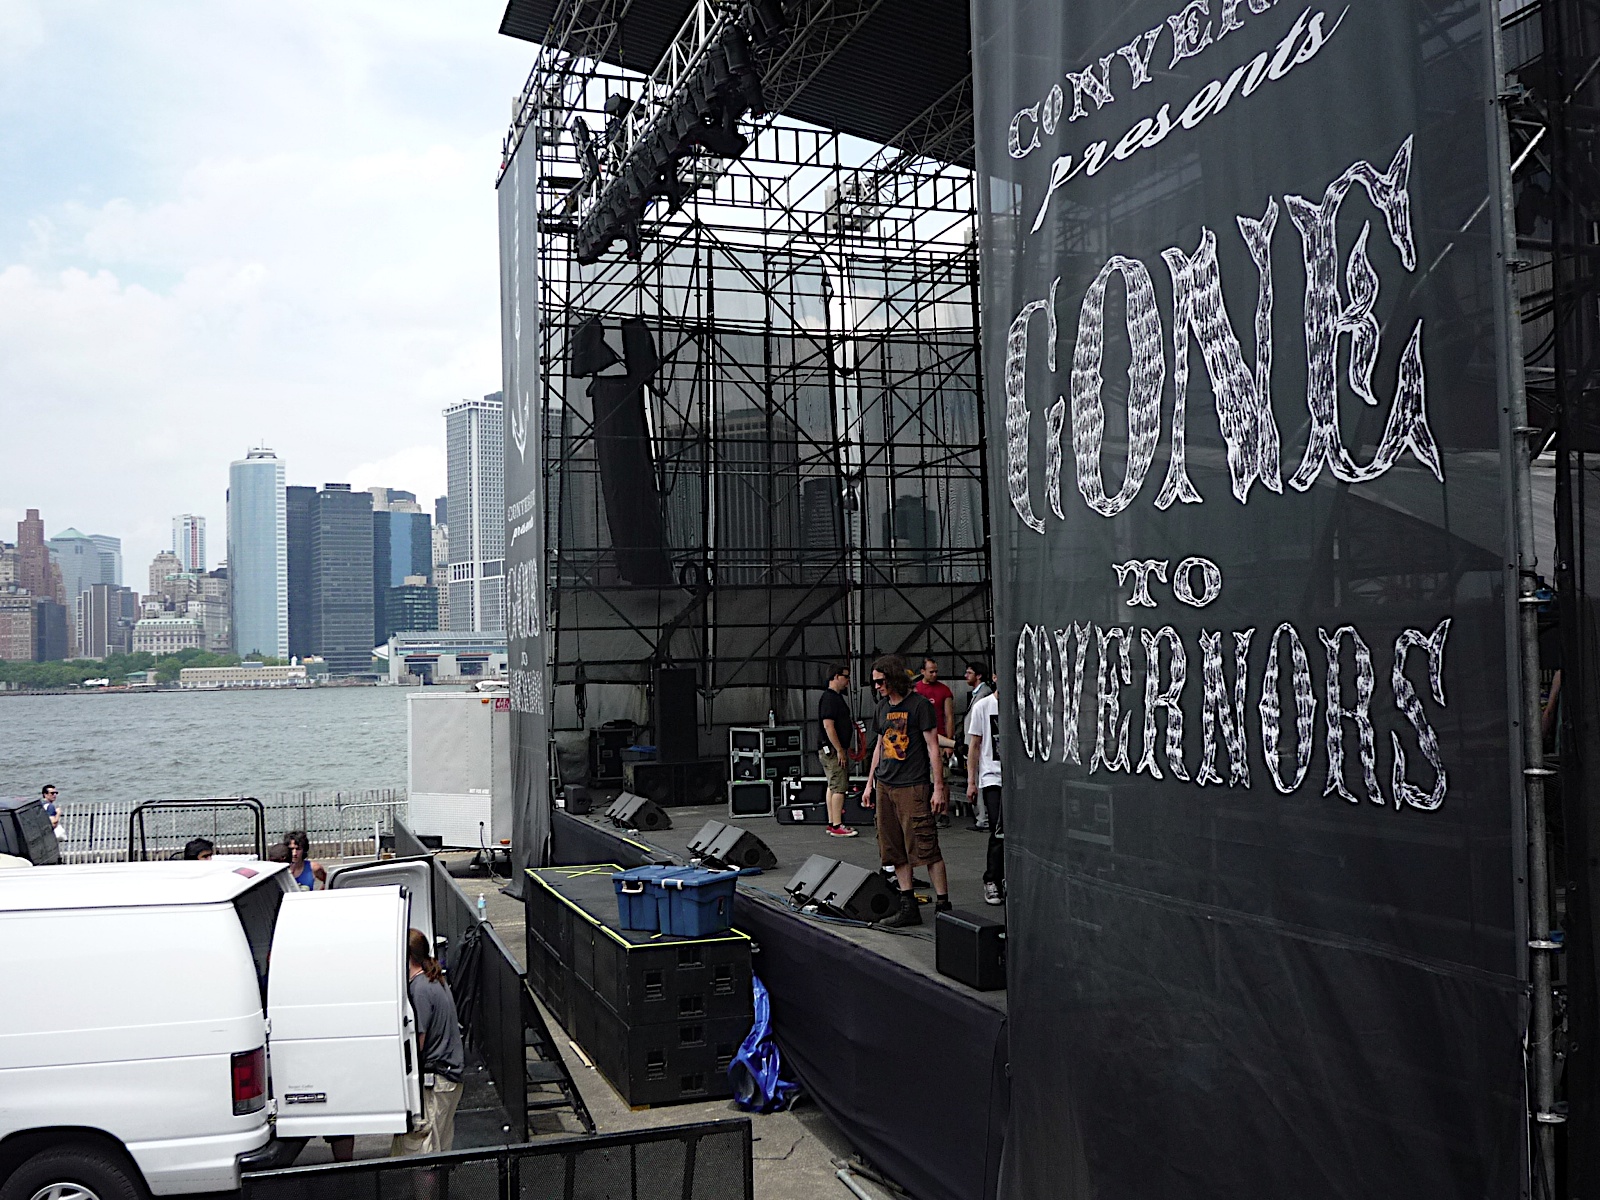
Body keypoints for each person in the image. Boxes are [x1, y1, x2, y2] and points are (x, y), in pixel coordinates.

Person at [868, 654, 949, 927]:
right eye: (874, 682)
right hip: (885, 784)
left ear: (893, 678)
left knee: (926, 846)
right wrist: (869, 784)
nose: (877, 686)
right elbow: (879, 747)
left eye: (881, 681)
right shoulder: (881, 707)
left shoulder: (919, 705)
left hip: (912, 785)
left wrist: (938, 787)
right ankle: (907, 903)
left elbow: (933, 747)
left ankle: (943, 903)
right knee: (893, 848)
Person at [392, 929, 465, 1157]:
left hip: (437, 1081)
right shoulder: (434, 980)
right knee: (439, 1146)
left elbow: (418, 1043)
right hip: (449, 1078)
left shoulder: (419, 989)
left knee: (422, 1149)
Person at [966, 679, 1004, 905]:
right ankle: (992, 879)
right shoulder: (983, 706)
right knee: (998, 829)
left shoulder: (1020, 703)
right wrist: (971, 781)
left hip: (1016, 778)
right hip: (993, 776)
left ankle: (1004, 876)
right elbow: (974, 745)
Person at [817, 664, 859, 838]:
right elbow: (829, 726)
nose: (848, 681)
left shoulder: (835, 697)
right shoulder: (830, 698)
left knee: (833, 785)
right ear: (835, 677)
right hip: (833, 750)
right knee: (840, 786)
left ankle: (832, 821)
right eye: (845, 677)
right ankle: (837, 824)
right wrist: (840, 749)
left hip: (832, 749)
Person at [963, 663, 994, 829]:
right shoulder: (978, 694)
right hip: (973, 742)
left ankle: (984, 818)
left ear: (979, 675)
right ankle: (981, 816)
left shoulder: (984, 694)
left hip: (979, 744)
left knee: (979, 779)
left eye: (969, 673)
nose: (966, 676)